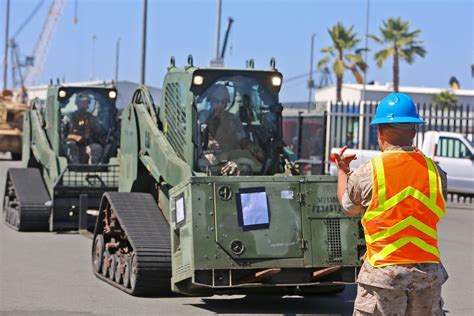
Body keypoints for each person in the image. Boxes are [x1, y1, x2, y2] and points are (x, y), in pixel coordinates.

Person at [334, 93, 448, 315]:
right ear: (415, 132)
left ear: (379, 132)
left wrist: (342, 171)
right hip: (428, 276)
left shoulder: (369, 172)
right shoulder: (436, 173)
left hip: (383, 276)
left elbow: (349, 208)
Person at [198, 84, 264, 175]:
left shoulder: (232, 119)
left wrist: (253, 148)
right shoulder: (201, 117)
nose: (220, 105)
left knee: (250, 164)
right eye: (216, 101)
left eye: (223, 102)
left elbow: (242, 139)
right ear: (210, 101)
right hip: (208, 157)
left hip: (230, 156)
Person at [66, 94, 106, 164]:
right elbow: (62, 135)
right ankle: (75, 169)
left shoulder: (92, 119)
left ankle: (93, 169)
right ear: (77, 104)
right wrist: (74, 137)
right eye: (82, 103)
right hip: (73, 144)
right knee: (71, 146)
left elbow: (99, 132)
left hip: (88, 144)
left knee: (97, 148)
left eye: (86, 103)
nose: (84, 106)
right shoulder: (69, 118)